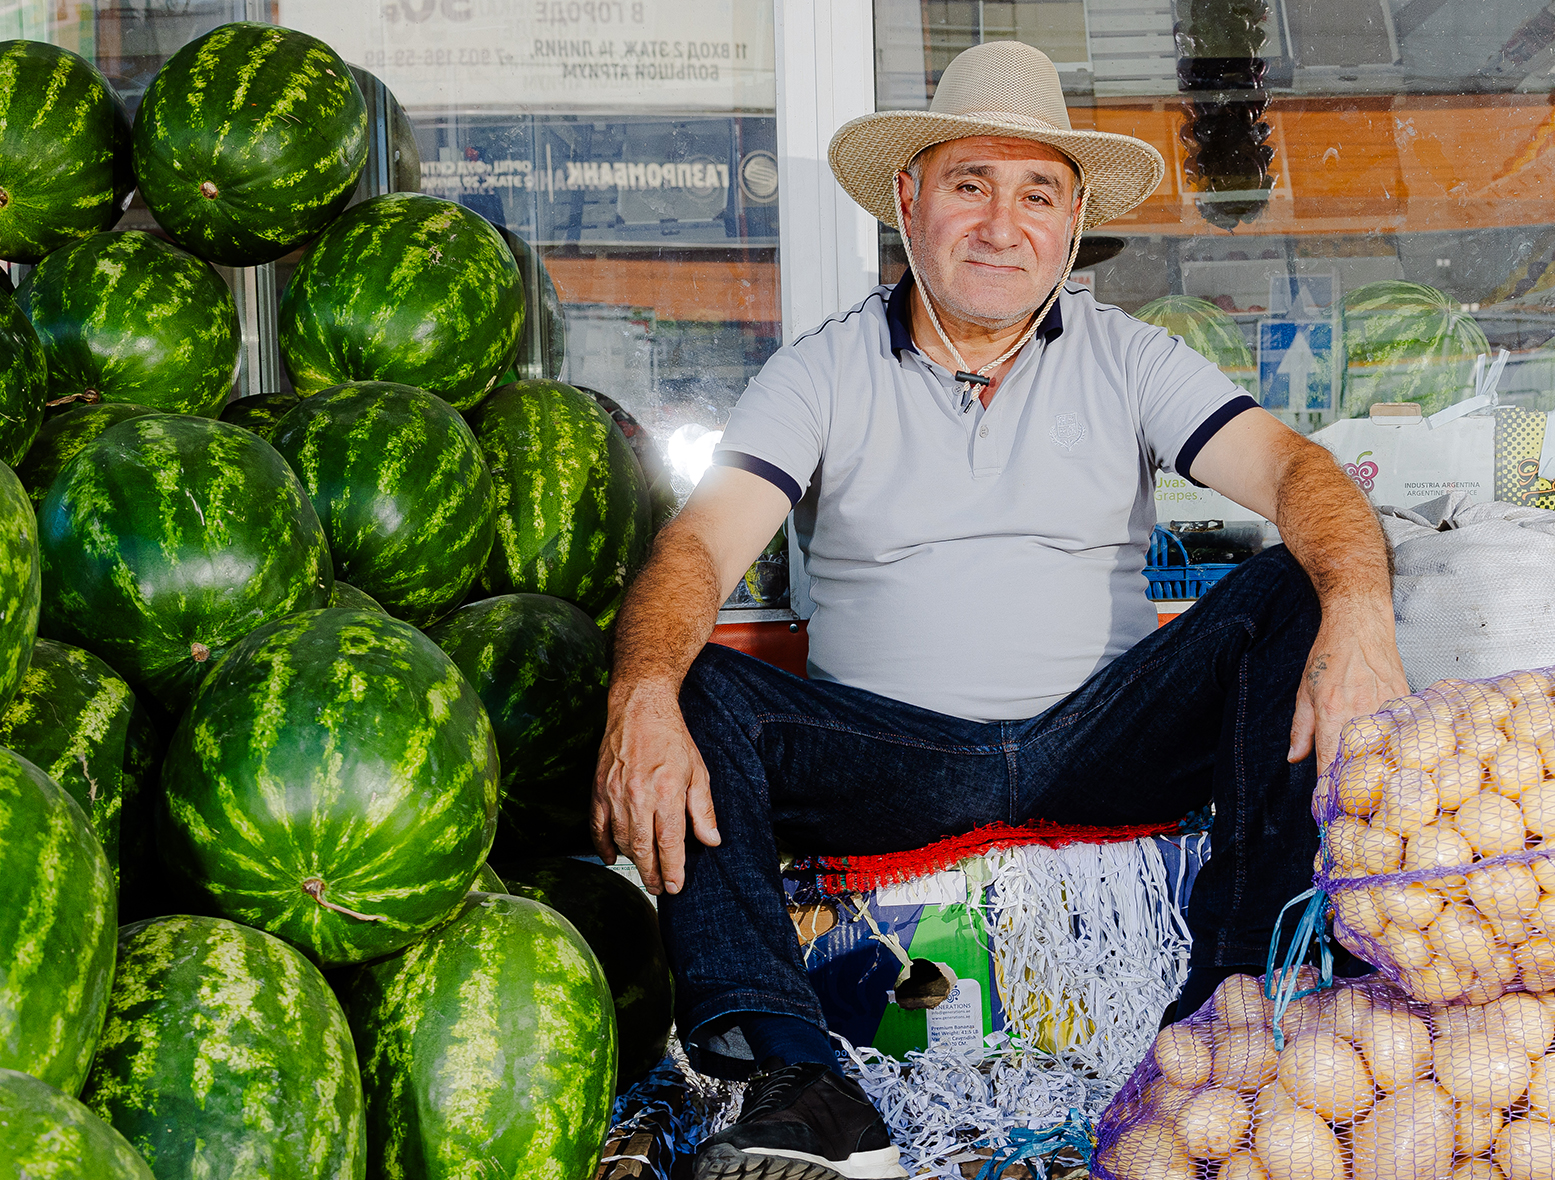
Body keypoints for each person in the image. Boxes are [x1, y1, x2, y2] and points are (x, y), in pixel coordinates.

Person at [593, 39, 1410, 1180]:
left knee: (1292, 590)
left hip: (1102, 738)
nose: (1000, 222)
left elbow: (1298, 476)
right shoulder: (821, 369)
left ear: (1072, 223)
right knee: (689, 681)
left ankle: (1230, 1001)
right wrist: (640, 689)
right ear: (909, 201)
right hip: (898, 754)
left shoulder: (1131, 357)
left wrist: (1358, 609)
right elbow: (699, 542)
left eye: (1036, 193)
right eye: (969, 184)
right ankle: (805, 1085)